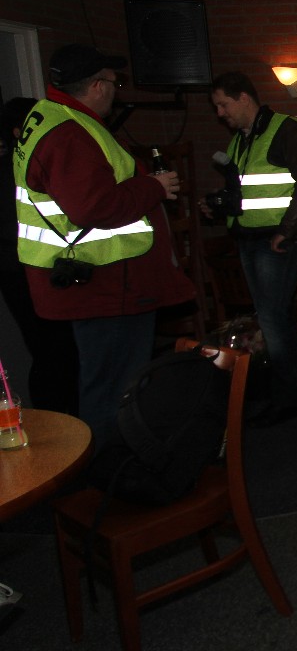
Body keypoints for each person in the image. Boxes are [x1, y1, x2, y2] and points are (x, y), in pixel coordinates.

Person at [12, 44, 193, 443]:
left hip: (99, 284)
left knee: (109, 384)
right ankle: (109, 468)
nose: (115, 90)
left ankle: (113, 462)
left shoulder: (54, 118)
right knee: (114, 391)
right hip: (106, 287)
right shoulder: (70, 133)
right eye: (114, 83)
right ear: (97, 86)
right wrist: (153, 187)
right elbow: (94, 207)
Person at [208, 71, 297, 427]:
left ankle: (286, 397)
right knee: (276, 315)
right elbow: (246, 192)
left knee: (272, 317)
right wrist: (218, 206)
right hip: (250, 237)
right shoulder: (239, 142)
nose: (220, 113)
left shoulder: (285, 130)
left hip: (279, 238)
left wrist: (287, 231)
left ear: (244, 98)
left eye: (223, 105)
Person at [2, 97, 80, 414]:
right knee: (55, 352)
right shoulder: (21, 166)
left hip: (23, 269)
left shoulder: (24, 163)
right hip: (29, 270)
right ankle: (61, 422)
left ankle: (60, 419)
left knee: (50, 351)